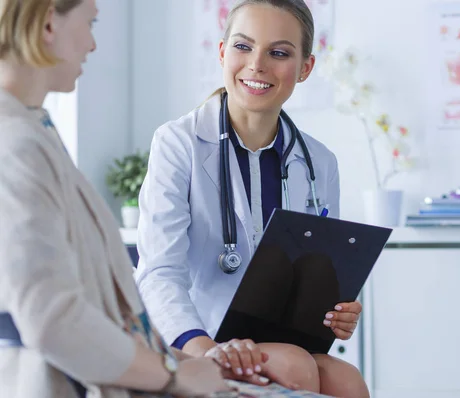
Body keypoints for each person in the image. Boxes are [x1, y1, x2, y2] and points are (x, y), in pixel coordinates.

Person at [135, 1, 369, 396]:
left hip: (278, 337)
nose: (257, 64)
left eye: (278, 53)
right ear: (224, 52)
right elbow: (159, 273)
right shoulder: (178, 143)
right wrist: (204, 348)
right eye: (243, 47)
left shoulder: (319, 163)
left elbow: (320, 269)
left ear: (305, 68)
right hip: (196, 338)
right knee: (294, 367)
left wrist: (337, 312)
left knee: (347, 380)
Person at [0, 0, 230, 396]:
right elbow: (53, 319)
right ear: (49, 24)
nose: (92, 44)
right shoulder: (14, 144)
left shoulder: (34, 131)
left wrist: (176, 361)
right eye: (90, 23)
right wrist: (171, 375)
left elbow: (102, 302)